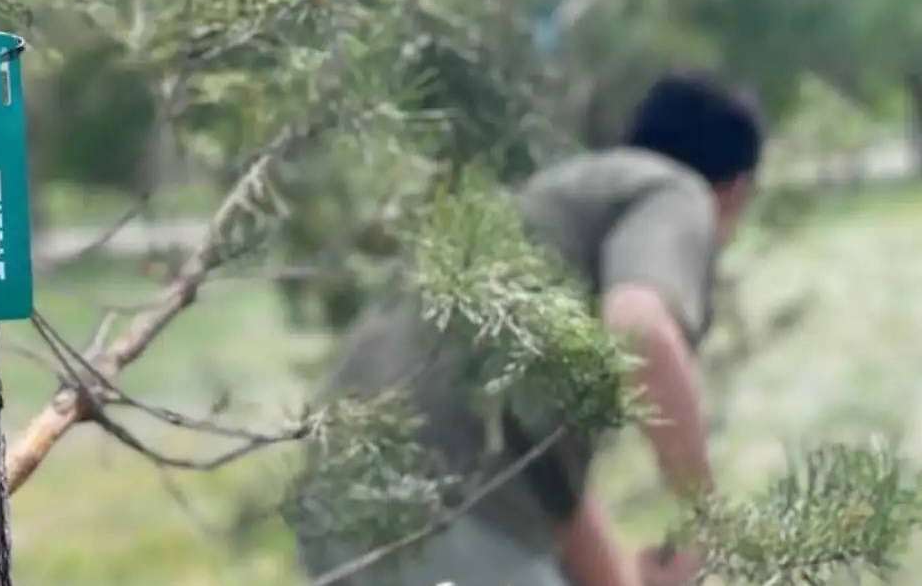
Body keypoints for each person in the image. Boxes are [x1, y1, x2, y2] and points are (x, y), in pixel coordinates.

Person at [296, 72, 765, 586]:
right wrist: (704, 521)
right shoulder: (676, 191)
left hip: (337, 490)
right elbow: (641, 328)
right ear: (736, 193)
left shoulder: (553, 201)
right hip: (454, 503)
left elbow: (553, 489)